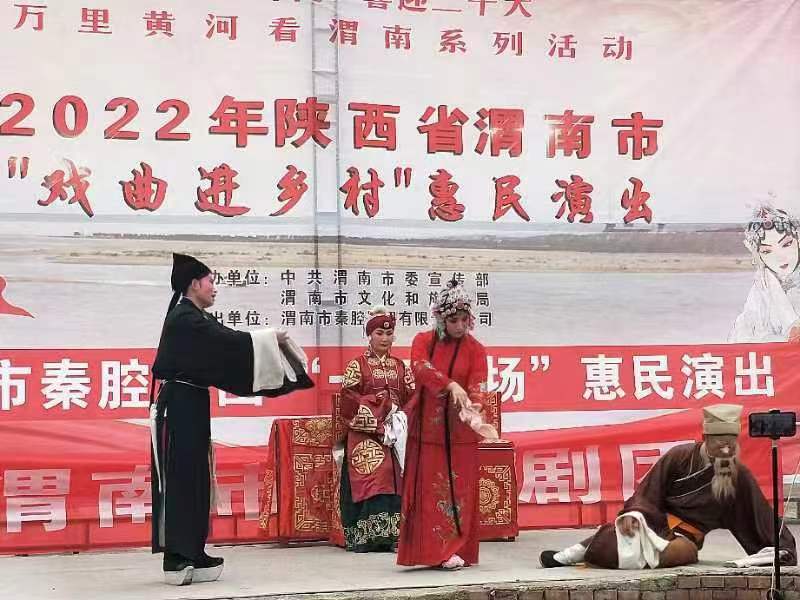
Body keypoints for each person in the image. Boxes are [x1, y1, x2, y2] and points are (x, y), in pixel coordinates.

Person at [150, 253, 313, 585]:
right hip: (178, 404)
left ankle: (193, 550)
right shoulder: (184, 318)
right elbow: (230, 342)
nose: (215, 288)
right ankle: (176, 556)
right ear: (194, 284)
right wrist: (268, 339)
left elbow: (228, 346)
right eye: (211, 282)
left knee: (197, 476)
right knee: (181, 477)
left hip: (193, 401)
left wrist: (268, 343)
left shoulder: (198, 318)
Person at [540, 404, 797, 569]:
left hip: (687, 538)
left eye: (731, 441)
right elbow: (649, 491)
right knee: (611, 538)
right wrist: (634, 514)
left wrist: (782, 546)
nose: (726, 448)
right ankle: (571, 554)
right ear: (705, 438)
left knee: (678, 554)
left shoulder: (739, 475)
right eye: (720, 441)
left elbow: (758, 513)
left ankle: (606, 555)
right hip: (655, 523)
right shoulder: (680, 456)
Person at [397, 280, 498, 570]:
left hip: (460, 433)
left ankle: (459, 549)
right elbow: (420, 367)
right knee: (431, 492)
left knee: (461, 491)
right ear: (441, 318)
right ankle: (435, 551)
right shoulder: (424, 341)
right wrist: (450, 384)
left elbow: (478, 383)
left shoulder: (476, 349)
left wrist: (475, 408)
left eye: (465, 320)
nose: (460, 326)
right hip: (427, 432)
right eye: (454, 320)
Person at [337, 306, 415, 552]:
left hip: (395, 435)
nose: (384, 338)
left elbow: (412, 397)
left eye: (389, 334)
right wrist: (378, 415)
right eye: (379, 333)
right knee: (374, 477)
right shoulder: (357, 366)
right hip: (366, 434)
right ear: (369, 335)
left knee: (396, 479)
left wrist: (399, 418)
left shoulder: (401, 367)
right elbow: (348, 399)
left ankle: (394, 536)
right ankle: (366, 537)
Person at [729, 205, 800, 342]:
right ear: (758, 255)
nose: (780, 257)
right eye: (767, 251)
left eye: (787, 244)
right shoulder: (763, 285)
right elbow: (742, 335)